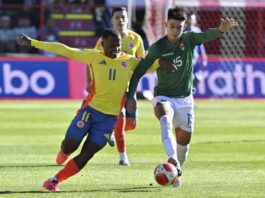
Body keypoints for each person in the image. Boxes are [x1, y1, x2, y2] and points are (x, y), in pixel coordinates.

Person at [17, 29, 162, 192]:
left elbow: (147, 67)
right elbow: (65, 49)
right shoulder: (93, 56)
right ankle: (64, 151)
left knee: (87, 154)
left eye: (119, 45)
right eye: (112, 45)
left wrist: (160, 62)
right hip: (90, 111)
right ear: (102, 44)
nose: (116, 49)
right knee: (71, 145)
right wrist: (33, 42)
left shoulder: (128, 61)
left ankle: (54, 181)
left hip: (108, 121)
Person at [126, 7, 238, 187]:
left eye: (179, 27)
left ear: (184, 26)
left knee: (183, 145)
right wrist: (131, 97)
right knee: (164, 118)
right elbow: (138, 73)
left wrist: (221, 30)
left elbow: (204, 36)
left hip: (185, 100)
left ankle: (176, 169)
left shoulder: (188, 39)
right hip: (164, 96)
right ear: (166, 25)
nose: (175, 30)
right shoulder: (158, 47)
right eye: (172, 26)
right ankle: (172, 160)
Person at [91, 7, 145, 166]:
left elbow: (142, 61)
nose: (120, 20)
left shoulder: (136, 39)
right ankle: (123, 157)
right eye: (117, 17)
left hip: (130, 86)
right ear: (112, 20)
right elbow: (93, 60)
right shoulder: (104, 39)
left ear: (127, 19)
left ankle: (111, 130)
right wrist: (92, 81)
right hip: (111, 86)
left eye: (123, 17)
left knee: (130, 124)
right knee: (119, 117)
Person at [184, 12, 208, 87]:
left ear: (195, 21)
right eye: (189, 19)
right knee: (190, 78)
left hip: (196, 60)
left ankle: (191, 92)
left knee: (198, 78)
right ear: (186, 20)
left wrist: (204, 58)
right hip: (187, 60)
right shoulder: (183, 32)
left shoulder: (197, 31)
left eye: (192, 19)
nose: (190, 21)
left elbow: (201, 46)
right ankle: (189, 93)